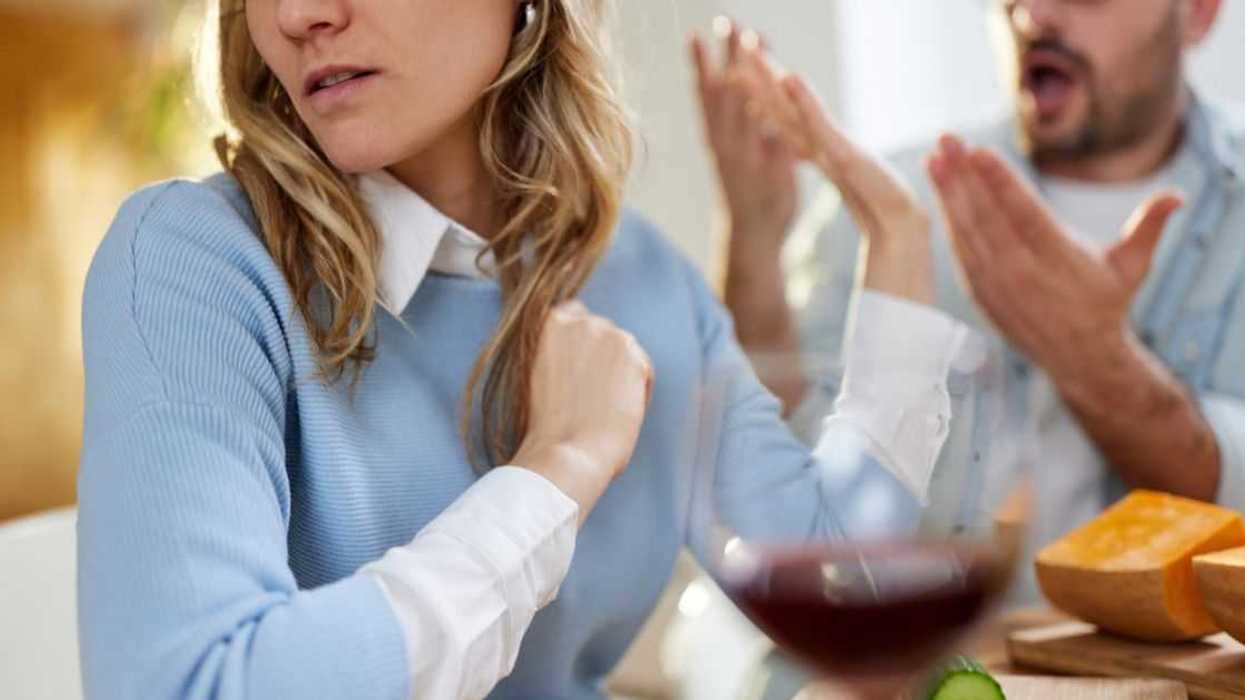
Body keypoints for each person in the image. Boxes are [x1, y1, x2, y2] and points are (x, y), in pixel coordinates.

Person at [77, 2, 968, 698]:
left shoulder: (641, 280)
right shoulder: (193, 262)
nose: (297, 13)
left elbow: (848, 587)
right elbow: (195, 686)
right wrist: (555, 469)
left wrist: (895, 237)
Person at [717, 0, 1245, 565]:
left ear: (1198, 13)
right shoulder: (884, 200)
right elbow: (793, 492)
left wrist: (1094, 360)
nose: (1034, 16)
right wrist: (753, 235)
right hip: (946, 653)